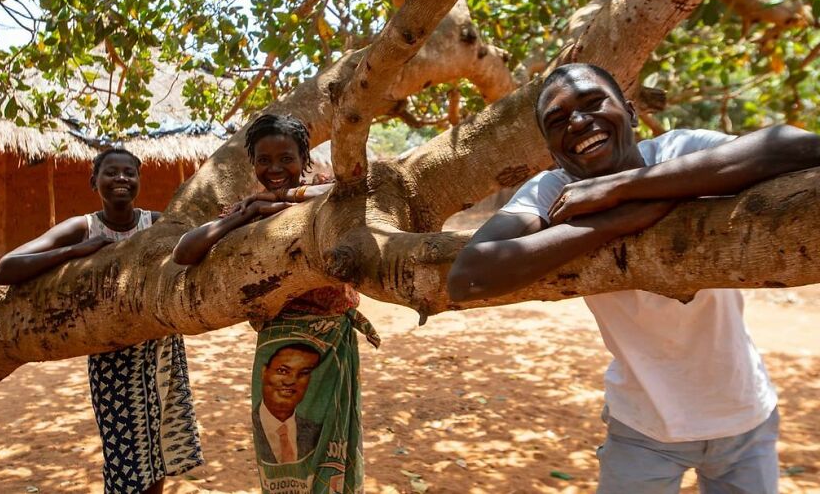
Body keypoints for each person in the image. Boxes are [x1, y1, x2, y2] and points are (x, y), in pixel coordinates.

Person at [447, 63, 820, 494]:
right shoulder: (552, 190)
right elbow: (468, 277)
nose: (579, 122)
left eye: (592, 103)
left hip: (744, 414)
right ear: (551, 150)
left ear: (630, 112)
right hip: (643, 428)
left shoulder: (679, 150)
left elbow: (798, 146)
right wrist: (615, 222)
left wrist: (624, 187)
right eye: (558, 120)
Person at [173, 113, 380, 494]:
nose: (275, 169)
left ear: (303, 158)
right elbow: (184, 252)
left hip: (329, 345)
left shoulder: (326, 193)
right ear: (251, 162)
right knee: (281, 450)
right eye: (264, 160)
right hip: (275, 349)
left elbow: (362, 190)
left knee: (328, 446)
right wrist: (248, 213)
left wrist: (279, 199)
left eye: (286, 158)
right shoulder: (246, 208)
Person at [0, 148, 203, 494]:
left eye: (129, 173)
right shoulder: (83, 227)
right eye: (111, 172)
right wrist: (75, 251)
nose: (121, 179)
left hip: (161, 351)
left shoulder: (158, 224)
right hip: (111, 358)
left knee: (158, 454)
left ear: (138, 181)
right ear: (94, 181)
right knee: (123, 457)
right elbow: (5, 269)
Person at [253, 343, 323, 465]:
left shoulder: (318, 432)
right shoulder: (243, 428)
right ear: (264, 372)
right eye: (282, 371)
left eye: (303, 373)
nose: (290, 381)